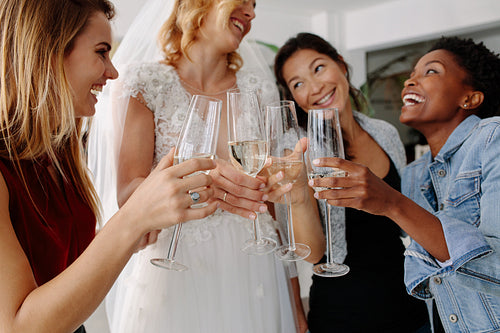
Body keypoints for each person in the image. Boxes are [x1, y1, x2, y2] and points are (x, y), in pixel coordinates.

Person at [0, 0, 219, 333]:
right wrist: (132, 220)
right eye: (101, 52)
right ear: (49, 51)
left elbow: (61, 261)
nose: (112, 72)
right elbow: (17, 326)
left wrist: (132, 235)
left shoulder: (58, 152)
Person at [95, 0, 300, 332]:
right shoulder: (146, 82)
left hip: (256, 266)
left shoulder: (258, 89)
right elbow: (129, 193)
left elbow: (275, 207)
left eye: (254, 5)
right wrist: (209, 182)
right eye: (243, 2)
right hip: (177, 264)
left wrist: (293, 302)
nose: (251, 13)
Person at [307, 36, 500, 332]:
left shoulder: (493, 139)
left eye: (431, 71)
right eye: (410, 76)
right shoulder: (413, 174)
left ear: (470, 98)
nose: (410, 81)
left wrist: (392, 203)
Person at [272, 32, 430, 332]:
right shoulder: (296, 149)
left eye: (318, 68)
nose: (315, 87)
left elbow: (406, 218)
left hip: (409, 302)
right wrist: (299, 195)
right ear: (293, 97)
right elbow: (313, 253)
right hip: (344, 311)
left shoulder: (384, 132)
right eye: (298, 84)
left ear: (341, 66)